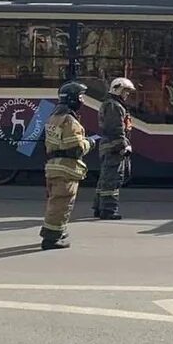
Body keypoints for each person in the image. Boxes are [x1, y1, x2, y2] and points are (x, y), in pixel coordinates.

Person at [40, 81, 93, 251]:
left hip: (53, 167)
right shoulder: (69, 120)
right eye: (80, 97)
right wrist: (89, 143)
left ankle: (56, 232)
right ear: (72, 99)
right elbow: (75, 148)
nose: (82, 101)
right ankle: (51, 239)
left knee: (54, 203)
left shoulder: (53, 117)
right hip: (66, 169)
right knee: (61, 204)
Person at [93, 77, 134, 220]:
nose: (127, 95)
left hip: (109, 146)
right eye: (125, 91)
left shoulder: (113, 104)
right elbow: (116, 129)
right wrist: (123, 146)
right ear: (117, 89)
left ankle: (99, 207)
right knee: (112, 179)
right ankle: (109, 210)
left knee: (105, 178)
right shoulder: (114, 106)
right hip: (114, 148)